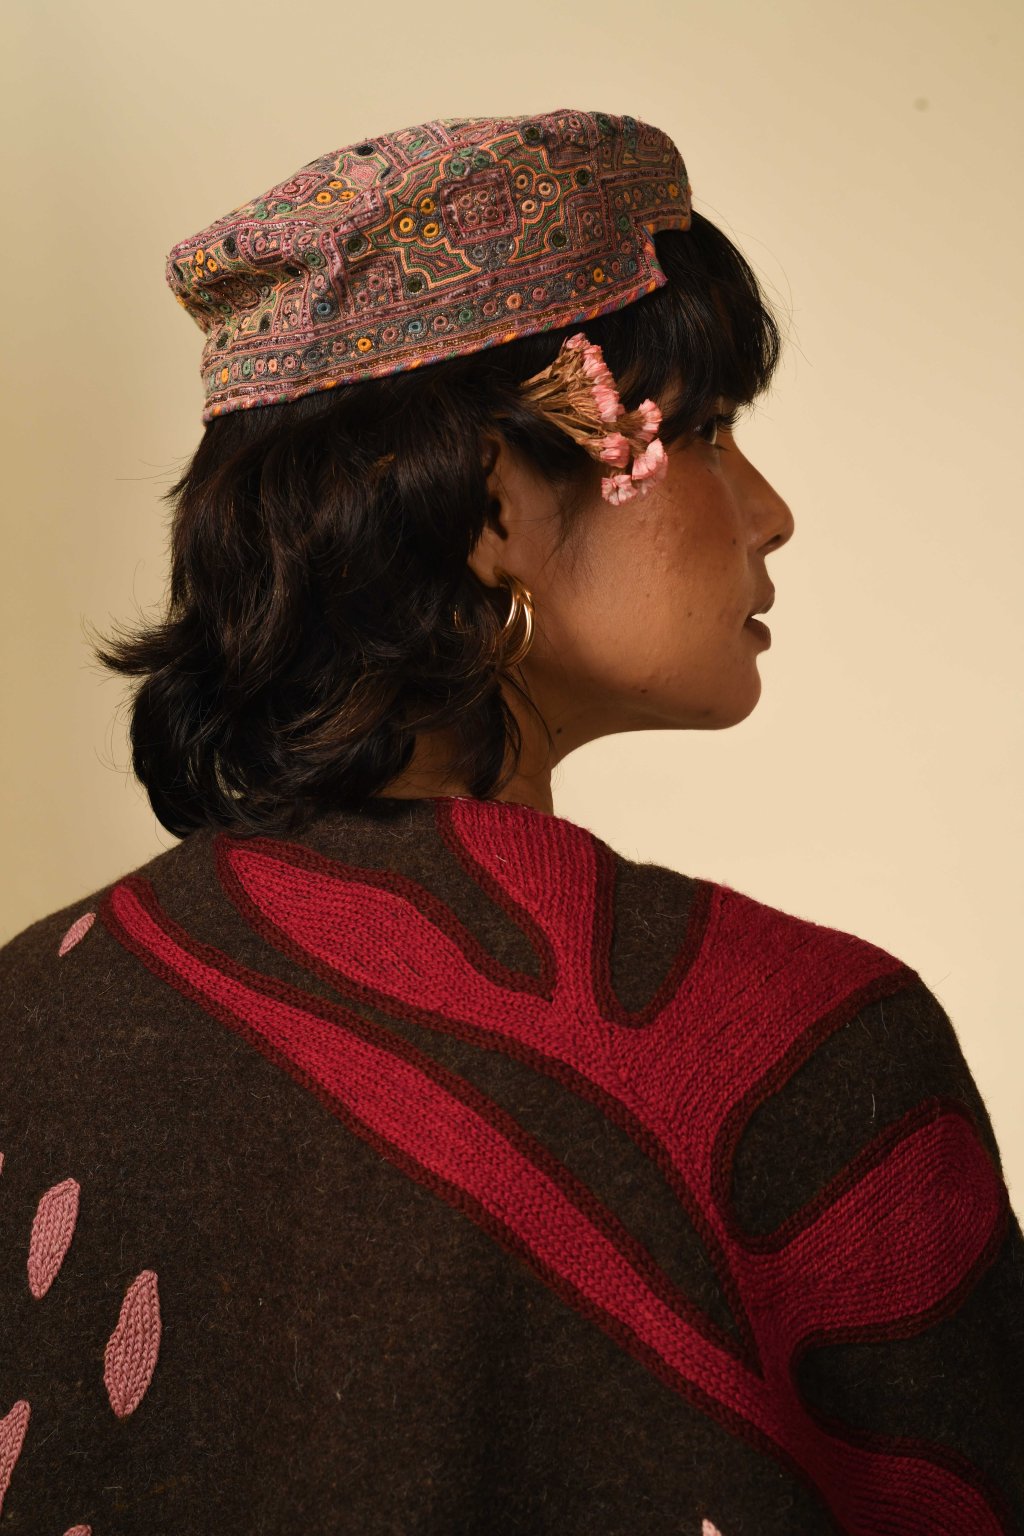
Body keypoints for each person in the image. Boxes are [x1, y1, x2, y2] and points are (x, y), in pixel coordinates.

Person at [0, 109, 1020, 1536]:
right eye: (707, 433)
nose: (771, 512)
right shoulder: (802, 1051)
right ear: (492, 506)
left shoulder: (29, 1022)